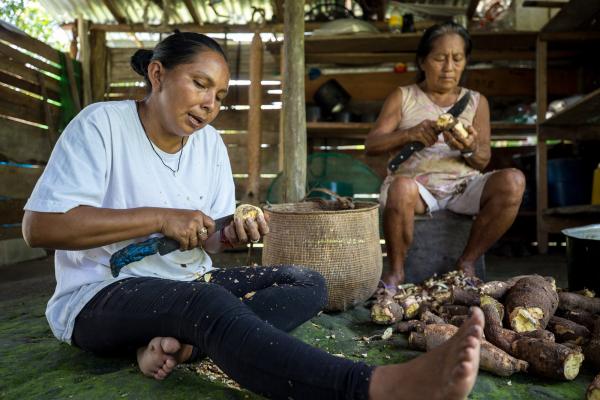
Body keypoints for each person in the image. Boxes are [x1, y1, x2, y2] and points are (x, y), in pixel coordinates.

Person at [22, 31, 485, 399]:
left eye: (220, 95)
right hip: (101, 294)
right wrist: (161, 217)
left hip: (185, 289)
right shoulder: (102, 125)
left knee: (308, 283)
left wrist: (233, 235)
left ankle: (179, 348)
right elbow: (40, 228)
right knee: (204, 305)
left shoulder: (209, 146)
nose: (210, 104)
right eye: (200, 84)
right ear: (158, 75)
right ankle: (374, 387)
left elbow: (208, 240)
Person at [365, 22, 525, 292]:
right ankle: (396, 273)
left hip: (463, 187)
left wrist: (469, 146)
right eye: (440, 58)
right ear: (423, 61)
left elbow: (482, 160)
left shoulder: (476, 101)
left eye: (457, 58)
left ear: (465, 62)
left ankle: (467, 262)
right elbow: (371, 144)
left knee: (514, 181)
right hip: (417, 189)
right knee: (400, 187)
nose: (449, 67)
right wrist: (409, 134)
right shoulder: (404, 96)